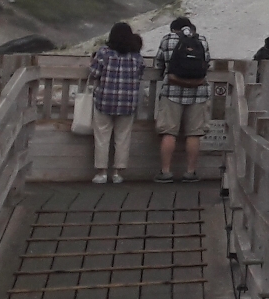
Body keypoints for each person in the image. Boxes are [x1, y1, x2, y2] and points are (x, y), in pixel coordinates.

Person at [153, 15, 212, 182]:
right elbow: (207, 63)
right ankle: (190, 172)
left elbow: (159, 63)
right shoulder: (201, 40)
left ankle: (165, 172)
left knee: (168, 132)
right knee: (194, 133)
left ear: (173, 29)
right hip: (198, 92)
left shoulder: (168, 39)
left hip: (172, 91)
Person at [87, 22, 145, 184]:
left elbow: (94, 73)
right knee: (123, 137)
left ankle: (102, 173)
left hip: (105, 100)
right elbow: (140, 74)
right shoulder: (136, 56)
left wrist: (91, 61)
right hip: (127, 102)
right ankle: (118, 173)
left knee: (102, 137)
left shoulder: (104, 53)